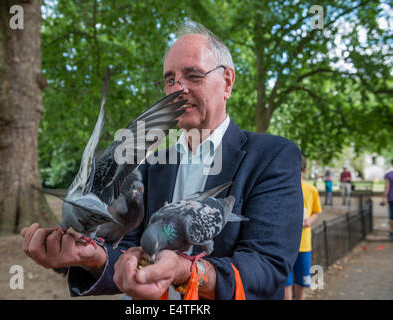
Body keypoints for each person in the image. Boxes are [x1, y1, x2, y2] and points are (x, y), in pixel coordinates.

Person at [21, 20, 303, 300]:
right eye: (170, 80)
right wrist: (92, 257)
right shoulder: (149, 166)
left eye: (193, 76)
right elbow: (128, 249)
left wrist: (187, 272)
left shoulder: (273, 156)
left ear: (227, 82)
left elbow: (267, 267)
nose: (178, 89)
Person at [285, 156, 322, 300]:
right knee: (286, 282)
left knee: (303, 280)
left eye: (298, 171)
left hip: (304, 244)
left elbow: (316, 212)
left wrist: (309, 221)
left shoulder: (311, 190)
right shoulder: (283, 188)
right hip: (286, 245)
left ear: (304, 171)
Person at [380, 161, 393, 240]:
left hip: (391, 198)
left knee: (392, 216)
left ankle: (392, 232)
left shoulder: (388, 175)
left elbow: (387, 187)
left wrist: (383, 198)